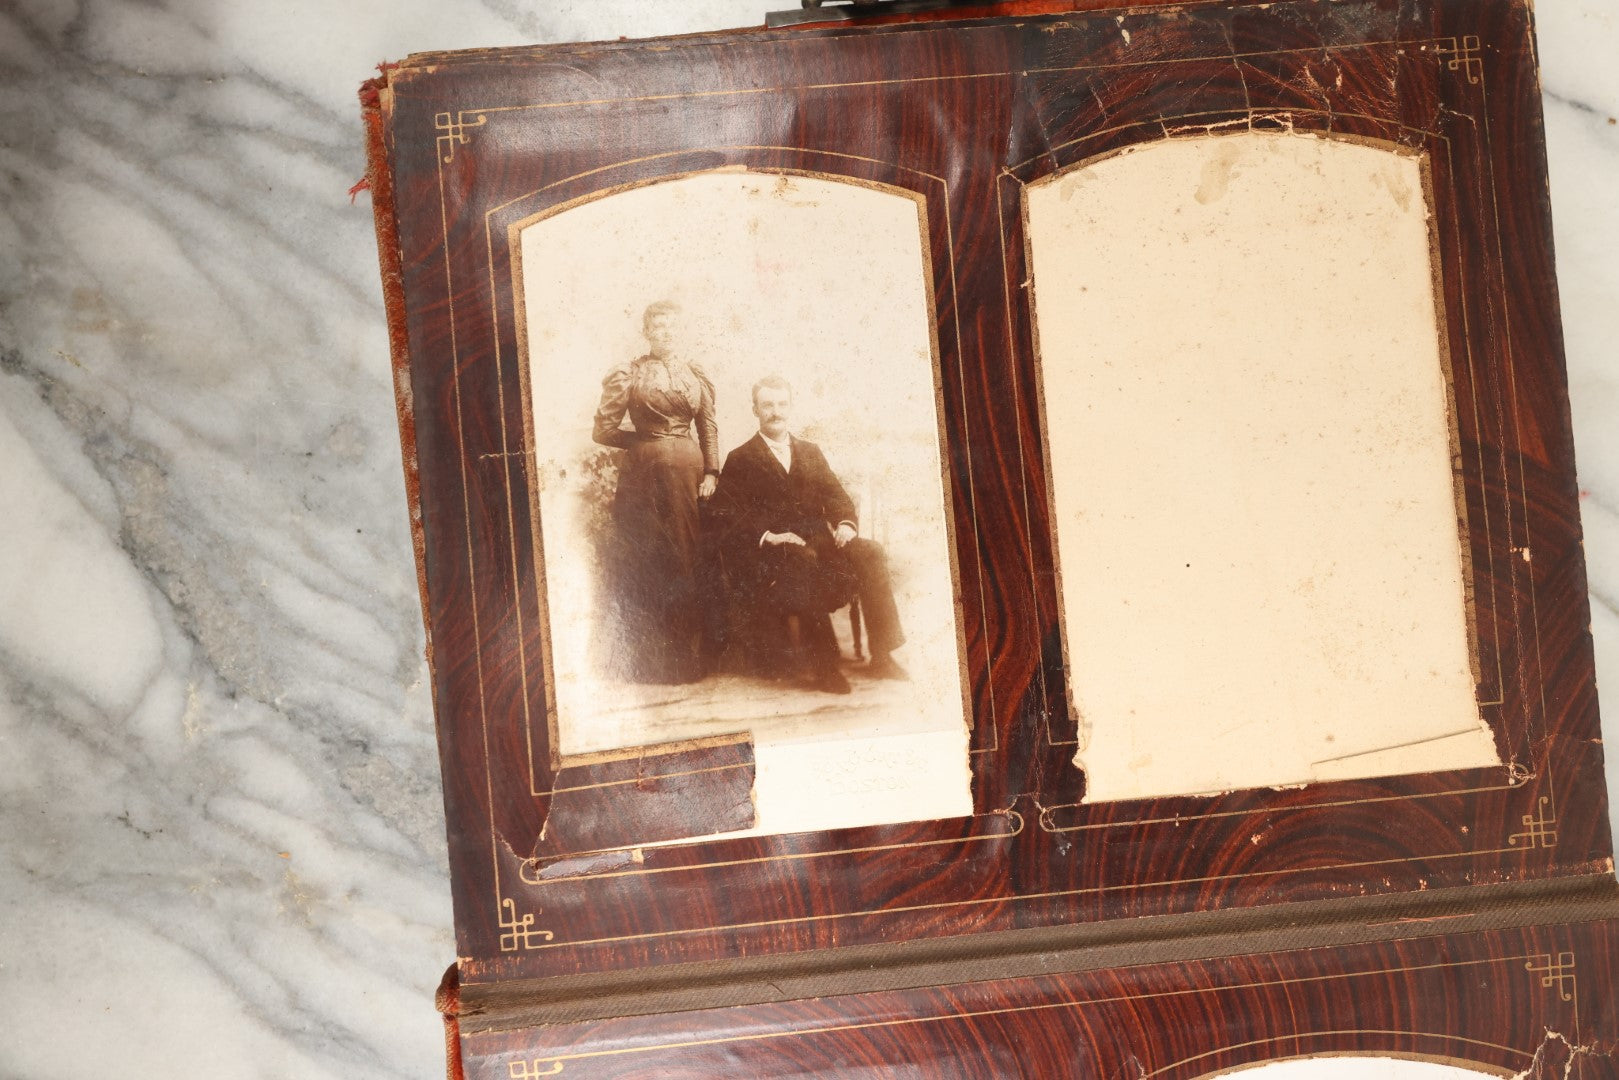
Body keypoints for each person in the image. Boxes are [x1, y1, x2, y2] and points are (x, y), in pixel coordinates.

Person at [709, 375, 906, 694]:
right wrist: (769, 536)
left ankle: (882, 655)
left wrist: (844, 523)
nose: (776, 411)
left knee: (870, 551)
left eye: (782, 404)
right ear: (755, 410)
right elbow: (724, 515)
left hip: (821, 545)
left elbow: (836, 495)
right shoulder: (741, 458)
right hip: (772, 555)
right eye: (768, 405)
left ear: (790, 407)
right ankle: (825, 665)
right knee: (802, 559)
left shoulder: (810, 451)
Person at [591, 301, 719, 683]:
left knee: (687, 553)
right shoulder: (629, 373)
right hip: (643, 476)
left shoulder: (695, 375)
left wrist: (711, 471)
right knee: (647, 555)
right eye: (657, 326)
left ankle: (687, 658)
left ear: (679, 331)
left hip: (690, 474)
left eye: (671, 326)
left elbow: (708, 427)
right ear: (646, 332)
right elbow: (603, 430)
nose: (664, 332)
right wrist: (645, 443)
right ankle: (648, 661)